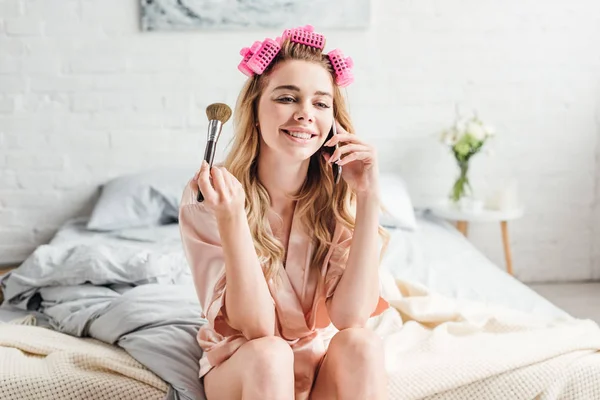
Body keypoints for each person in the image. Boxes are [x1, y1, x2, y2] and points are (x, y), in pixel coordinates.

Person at [179, 25, 390, 400]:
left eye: (321, 103)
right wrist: (232, 220)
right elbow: (257, 327)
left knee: (363, 345)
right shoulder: (211, 196)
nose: (305, 114)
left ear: (333, 124)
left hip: (317, 363)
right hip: (246, 366)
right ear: (256, 113)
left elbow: (351, 318)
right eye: (287, 98)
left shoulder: (340, 197)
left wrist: (369, 195)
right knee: (271, 353)